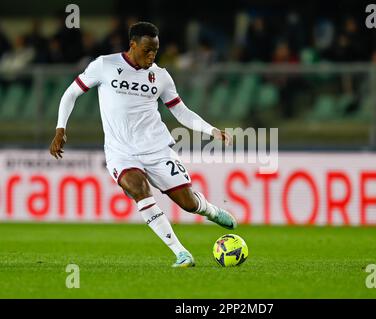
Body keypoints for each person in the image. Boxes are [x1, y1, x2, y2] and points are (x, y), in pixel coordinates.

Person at [49, 22, 237, 268]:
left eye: (155, 51)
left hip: (157, 149)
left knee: (188, 203)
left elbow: (181, 112)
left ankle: (210, 211)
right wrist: (60, 128)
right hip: (121, 152)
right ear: (133, 45)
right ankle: (181, 253)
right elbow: (70, 93)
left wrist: (210, 130)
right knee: (139, 189)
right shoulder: (105, 65)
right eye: (147, 50)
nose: (152, 55)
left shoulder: (161, 76)